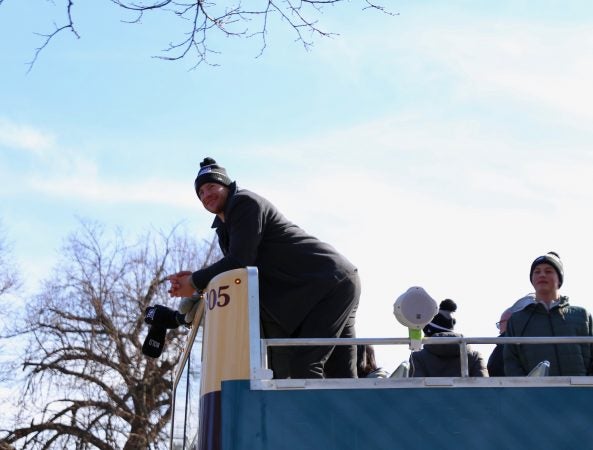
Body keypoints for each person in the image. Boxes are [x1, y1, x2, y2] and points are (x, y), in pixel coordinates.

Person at [167, 157, 360, 379]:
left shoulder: (244, 203)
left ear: (226, 185)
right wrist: (196, 285)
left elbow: (240, 261)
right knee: (341, 375)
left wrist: (193, 282)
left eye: (211, 186)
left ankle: (310, 414)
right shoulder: (224, 229)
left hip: (329, 283)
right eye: (200, 192)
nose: (206, 195)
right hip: (318, 291)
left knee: (305, 366)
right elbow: (237, 272)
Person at [504, 252, 593, 376]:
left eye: (548, 271)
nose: (542, 275)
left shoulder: (582, 316)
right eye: (537, 271)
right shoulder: (517, 320)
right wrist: (525, 392)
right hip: (536, 394)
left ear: (559, 278)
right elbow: (511, 363)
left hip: (579, 393)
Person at [409, 299, 488, 377]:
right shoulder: (475, 357)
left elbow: (416, 388)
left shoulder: (417, 358)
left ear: (429, 333)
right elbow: (484, 388)